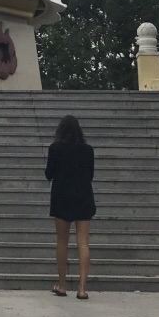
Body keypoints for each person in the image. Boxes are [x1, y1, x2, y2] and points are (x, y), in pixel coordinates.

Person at [45, 114, 96, 299]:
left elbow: (48, 173)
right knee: (83, 242)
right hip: (83, 196)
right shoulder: (88, 150)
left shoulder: (55, 148)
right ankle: (82, 289)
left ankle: (62, 285)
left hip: (62, 196)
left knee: (62, 242)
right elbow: (90, 175)